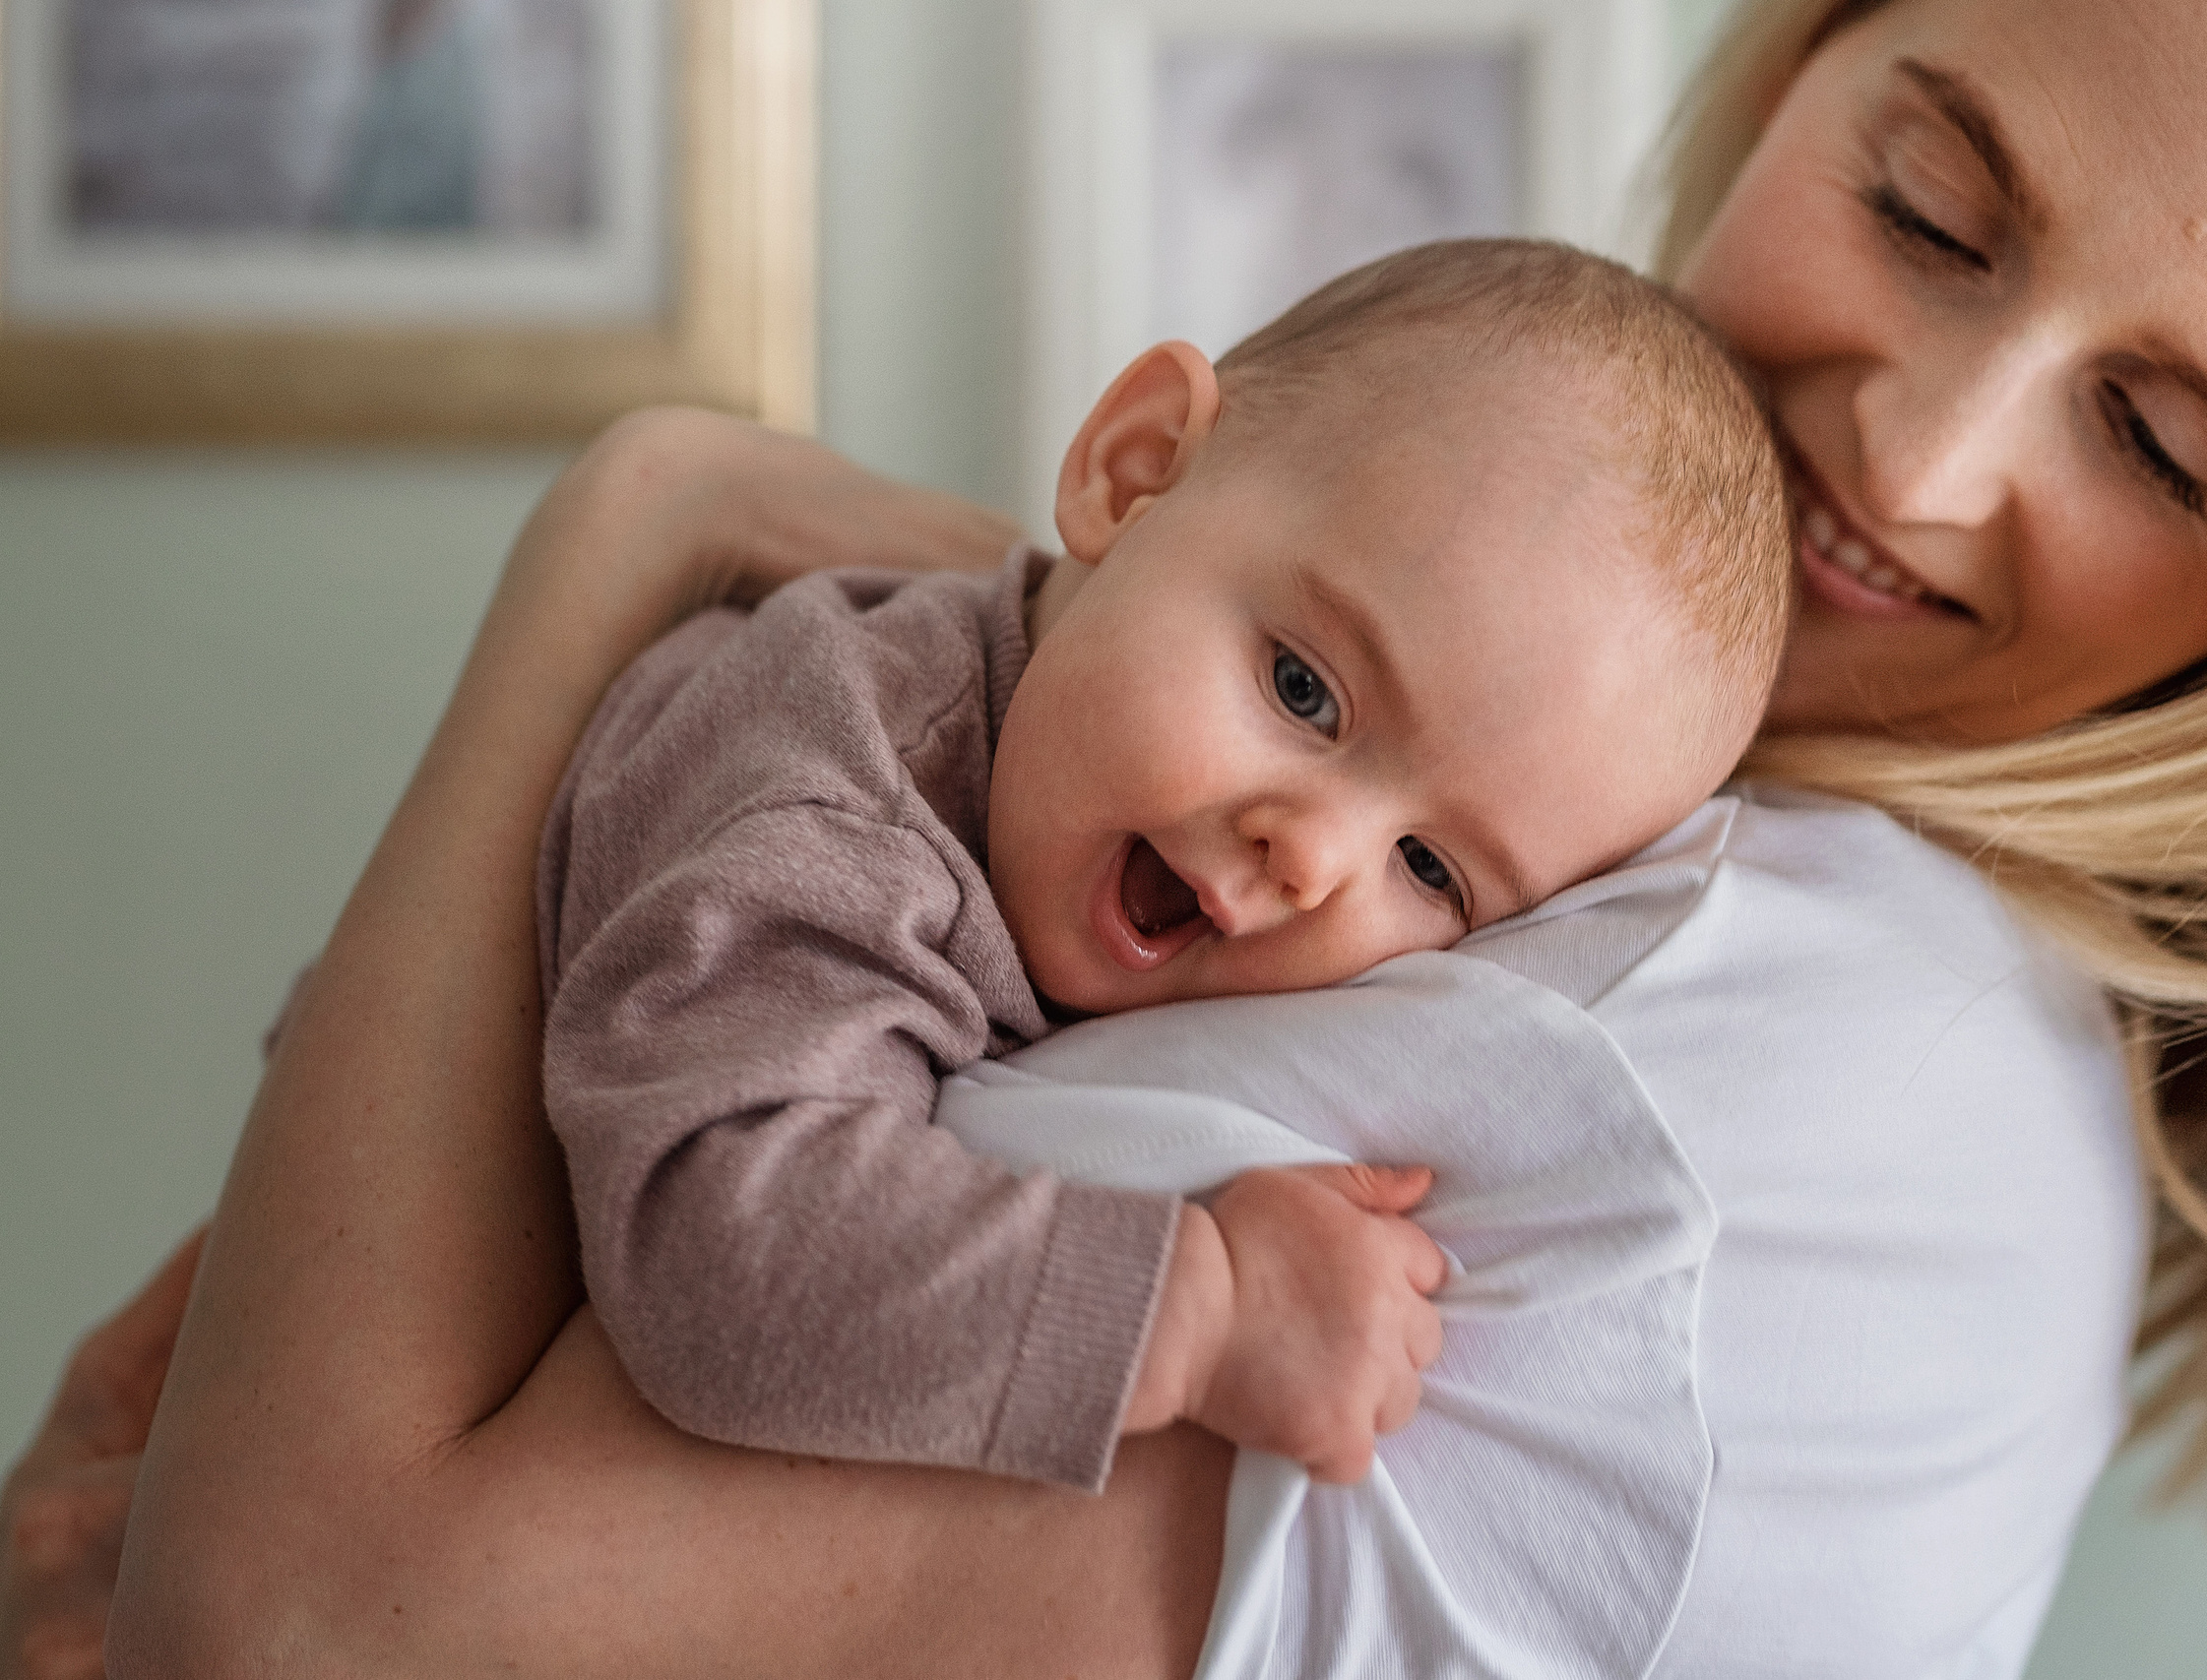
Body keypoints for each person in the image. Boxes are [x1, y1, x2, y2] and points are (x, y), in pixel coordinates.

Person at [0, 0, 2207, 1672]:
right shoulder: (928, 748)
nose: (1911, 458)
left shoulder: (1753, 1031)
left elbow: (280, 1600)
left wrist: (637, 521)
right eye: (1921, 207)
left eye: (2158, 446)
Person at [535, 242, 1787, 1492]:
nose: (1311, 857)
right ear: (1134, 473)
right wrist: (1197, 1309)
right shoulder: (841, 796)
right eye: (1303, 690)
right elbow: (713, 1248)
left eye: (1427, 868)